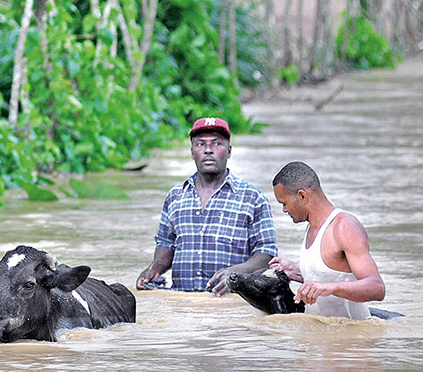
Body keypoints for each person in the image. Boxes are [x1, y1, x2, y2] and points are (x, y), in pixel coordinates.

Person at [136, 116, 278, 295]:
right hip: (182, 305)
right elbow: (166, 245)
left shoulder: (253, 198)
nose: (208, 150)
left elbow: (267, 254)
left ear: (229, 151)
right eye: (200, 144)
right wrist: (153, 270)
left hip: (232, 304)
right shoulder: (175, 196)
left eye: (217, 143)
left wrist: (237, 275)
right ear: (192, 151)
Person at [268, 161, 385, 319]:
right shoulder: (311, 228)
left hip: (351, 340)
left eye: (284, 203)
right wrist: (295, 272)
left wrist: (330, 287)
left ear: (302, 196)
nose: (284, 210)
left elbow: (377, 287)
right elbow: (332, 276)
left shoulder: (345, 227)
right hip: (320, 337)